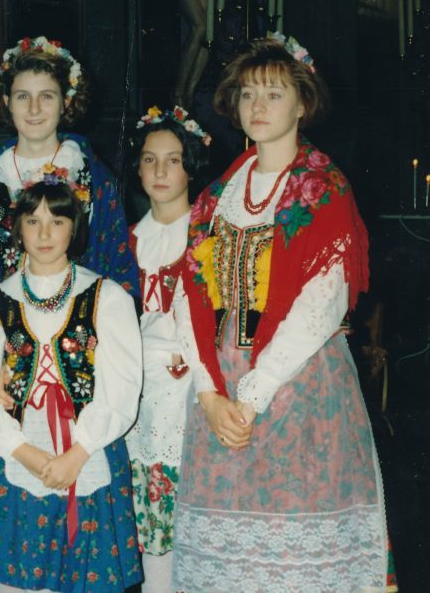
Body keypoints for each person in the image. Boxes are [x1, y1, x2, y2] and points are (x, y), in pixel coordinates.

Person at [172, 34, 393, 591]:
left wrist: (253, 393)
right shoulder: (217, 195)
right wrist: (209, 393)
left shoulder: (323, 187)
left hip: (298, 384)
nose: (258, 106)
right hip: (221, 389)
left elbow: (323, 301)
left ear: (302, 103)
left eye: (274, 94)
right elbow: (187, 292)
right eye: (248, 94)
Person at [0, 36, 137, 578]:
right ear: (5, 101)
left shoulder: (93, 177)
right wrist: (2, 360)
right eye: (22, 96)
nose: (34, 108)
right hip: (7, 363)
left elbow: (116, 269)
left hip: (81, 370)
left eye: (46, 96)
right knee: (22, 521)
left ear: (65, 102)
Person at [0, 178, 143, 593]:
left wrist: (76, 455)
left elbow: (121, 389)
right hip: (18, 456)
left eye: (57, 221)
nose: (44, 234)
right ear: (17, 229)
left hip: (90, 453)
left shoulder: (107, 297)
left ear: (74, 227)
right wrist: (26, 454)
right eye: (33, 221)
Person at [124, 105, 210, 593]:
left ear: (190, 167)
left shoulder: (206, 234)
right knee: (151, 513)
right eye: (150, 159)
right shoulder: (127, 240)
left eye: (173, 160)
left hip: (192, 390)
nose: (160, 171)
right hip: (142, 392)